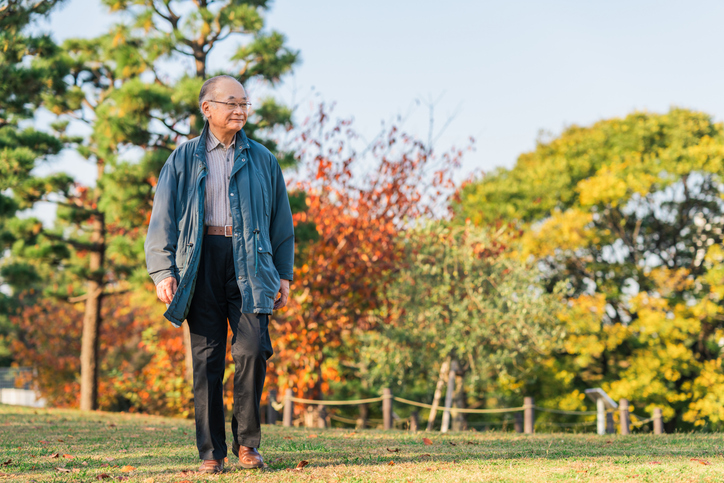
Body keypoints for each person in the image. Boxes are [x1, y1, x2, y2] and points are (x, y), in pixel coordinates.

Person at [144, 75, 294, 473]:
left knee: (252, 350)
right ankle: (212, 453)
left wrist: (284, 275)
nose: (240, 110)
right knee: (207, 359)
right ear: (207, 108)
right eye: (232, 103)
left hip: (251, 263)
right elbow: (162, 221)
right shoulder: (182, 158)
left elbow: (282, 222)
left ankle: (248, 444)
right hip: (199, 262)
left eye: (245, 103)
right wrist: (163, 271)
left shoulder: (264, 159)